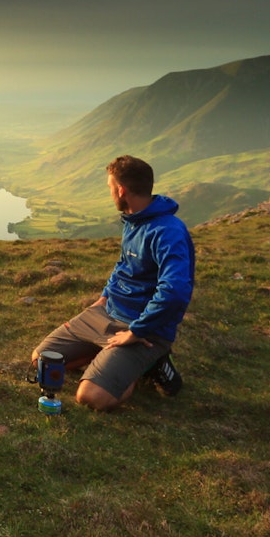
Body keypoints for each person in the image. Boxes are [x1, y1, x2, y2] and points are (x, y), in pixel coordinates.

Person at [31, 155, 194, 411]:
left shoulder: (167, 232)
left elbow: (175, 292)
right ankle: (111, 360)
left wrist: (136, 332)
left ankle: (148, 363)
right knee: (42, 361)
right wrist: (105, 295)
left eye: (110, 187)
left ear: (121, 190)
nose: (110, 193)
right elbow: (124, 265)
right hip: (107, 311)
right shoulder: (133, 219)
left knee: (90, 397)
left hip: (143, 329)